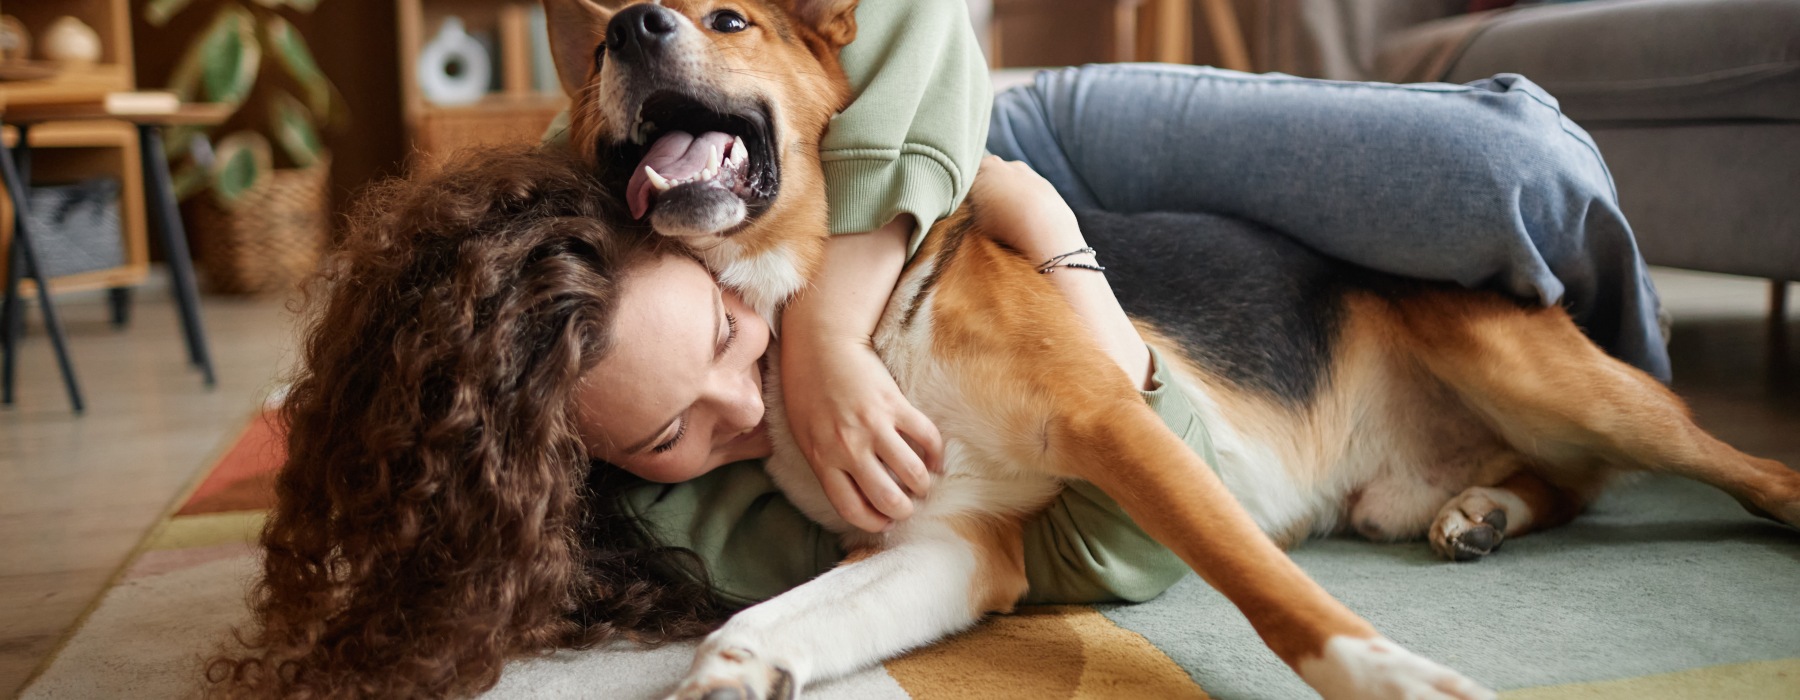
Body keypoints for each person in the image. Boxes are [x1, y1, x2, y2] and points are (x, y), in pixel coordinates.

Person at [542, 0, 1668, 538]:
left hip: (988, 125)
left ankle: (1619, 423)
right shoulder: (578, 153)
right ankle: (1546, 458)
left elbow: (921, 30)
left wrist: (829, 337)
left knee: (1525, 175)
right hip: (805, 220)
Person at [205, 147, 1199, 698]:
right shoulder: (691, 528)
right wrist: (1073, 264)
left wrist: (818, 341)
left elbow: (910, 49)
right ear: (574, 472)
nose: (747, 401)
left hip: (994, 134)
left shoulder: (627, 183)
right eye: (668, 430)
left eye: (726, 326)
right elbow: (1118, 548)